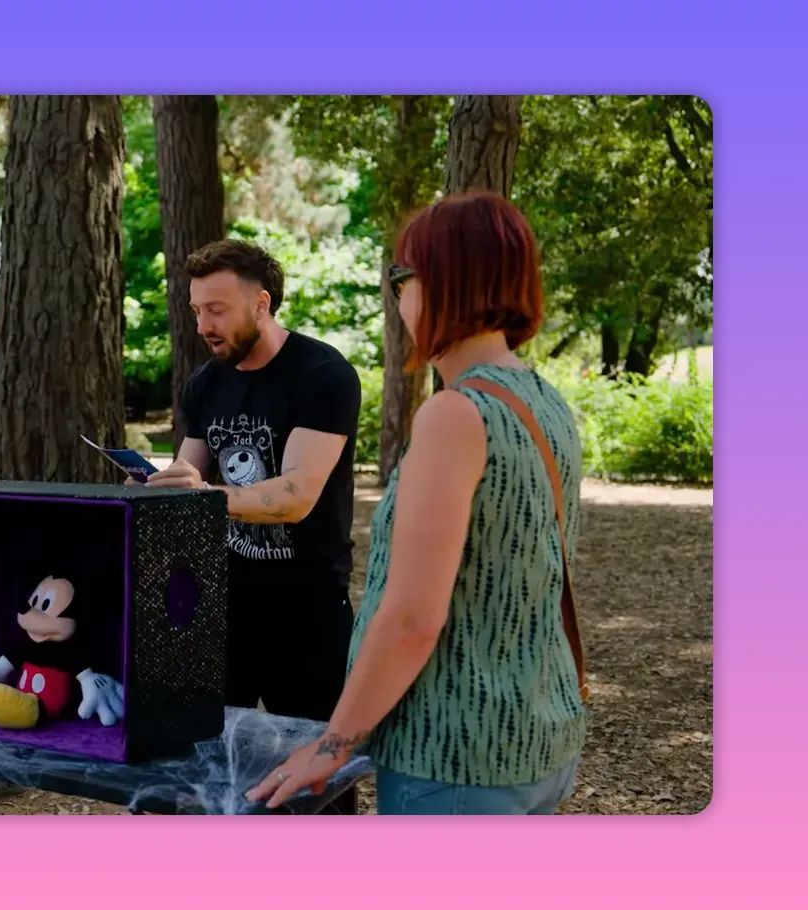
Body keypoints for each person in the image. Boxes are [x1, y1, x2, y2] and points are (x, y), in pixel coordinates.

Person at [246, 190, 590, 815]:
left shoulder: (454, 415)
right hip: (540, 740)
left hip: (456, 759)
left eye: (402, 275)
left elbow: (411, 618)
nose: (398, 294)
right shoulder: (545, 402)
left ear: (446, 282)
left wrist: (332, 743)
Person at [144, 239, 362, 814]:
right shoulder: (206, 383)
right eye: (196, 310)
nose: (203, 324)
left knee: (321, 789)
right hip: (224, 610)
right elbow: (189, 470)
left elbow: (295, 496)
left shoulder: (323, 374)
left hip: (308, 615)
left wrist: (203, 495)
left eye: (216, 309)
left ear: (261, 303)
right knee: (203, 771)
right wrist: (155, 487)